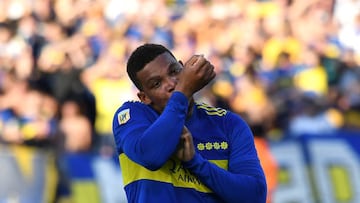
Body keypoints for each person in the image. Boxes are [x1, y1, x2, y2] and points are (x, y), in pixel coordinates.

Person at [112, 43, 267, 203]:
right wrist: (183, 92)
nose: (172, 84)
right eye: (156, 84)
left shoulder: (227, 123)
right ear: (144, 97)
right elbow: (151, 156)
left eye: (174, 72)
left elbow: (254, 196)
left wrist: (195, 162)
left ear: (183, 68)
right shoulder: (132, 116)